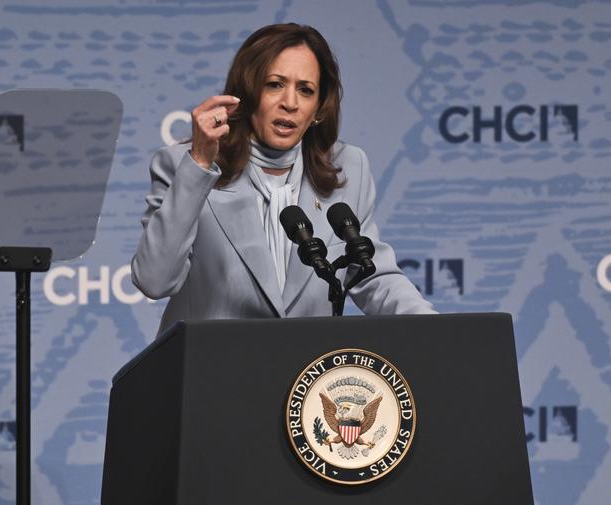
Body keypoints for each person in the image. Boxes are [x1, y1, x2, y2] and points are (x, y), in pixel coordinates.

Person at [132, 23, 435, 335]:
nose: (290, 103)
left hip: (308, 379)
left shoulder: (348, 167)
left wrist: (439, 332)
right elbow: (154, 280)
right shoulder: (185, 166)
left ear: (318, 108)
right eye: (275, 85)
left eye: (305, 90)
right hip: (210, 373)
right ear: (246, 94)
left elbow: (372, 274)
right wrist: (198, 164)